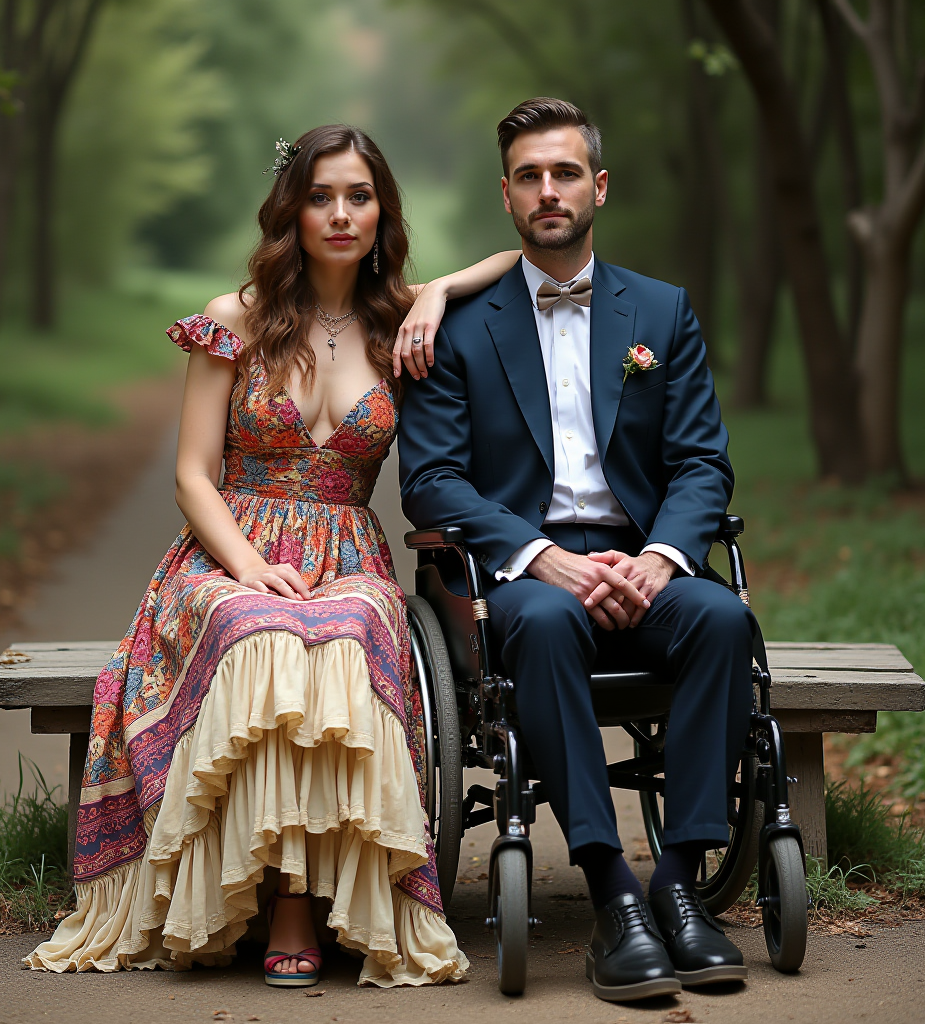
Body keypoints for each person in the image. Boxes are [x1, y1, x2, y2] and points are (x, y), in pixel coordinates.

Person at [25, 124, 519, 987]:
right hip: (228, 549)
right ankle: (281, 896)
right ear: (291, 208)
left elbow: (520, 260)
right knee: (262, 635)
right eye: (321, 195)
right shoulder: (235, 321)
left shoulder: (399, 324)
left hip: (347, 554)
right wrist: (247, 567)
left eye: (358, 197)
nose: (339, 213)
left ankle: (307, 895)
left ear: (381, 213)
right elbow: (190, 476)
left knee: (352, 633)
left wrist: (436, 291)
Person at [397, 97, 755, 1003]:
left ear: (597, 186)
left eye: (564, 173)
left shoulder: (662, 313)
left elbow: (703, 463)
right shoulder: (456, 329)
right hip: (526, 578)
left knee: (721, 619)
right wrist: (539, 555)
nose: (548, 191)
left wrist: (664, 558)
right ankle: (612, 895)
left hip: (642, 567)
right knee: (549, 622)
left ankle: (678, 886)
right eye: (529, 176)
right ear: (507, 197)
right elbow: (432, 481)